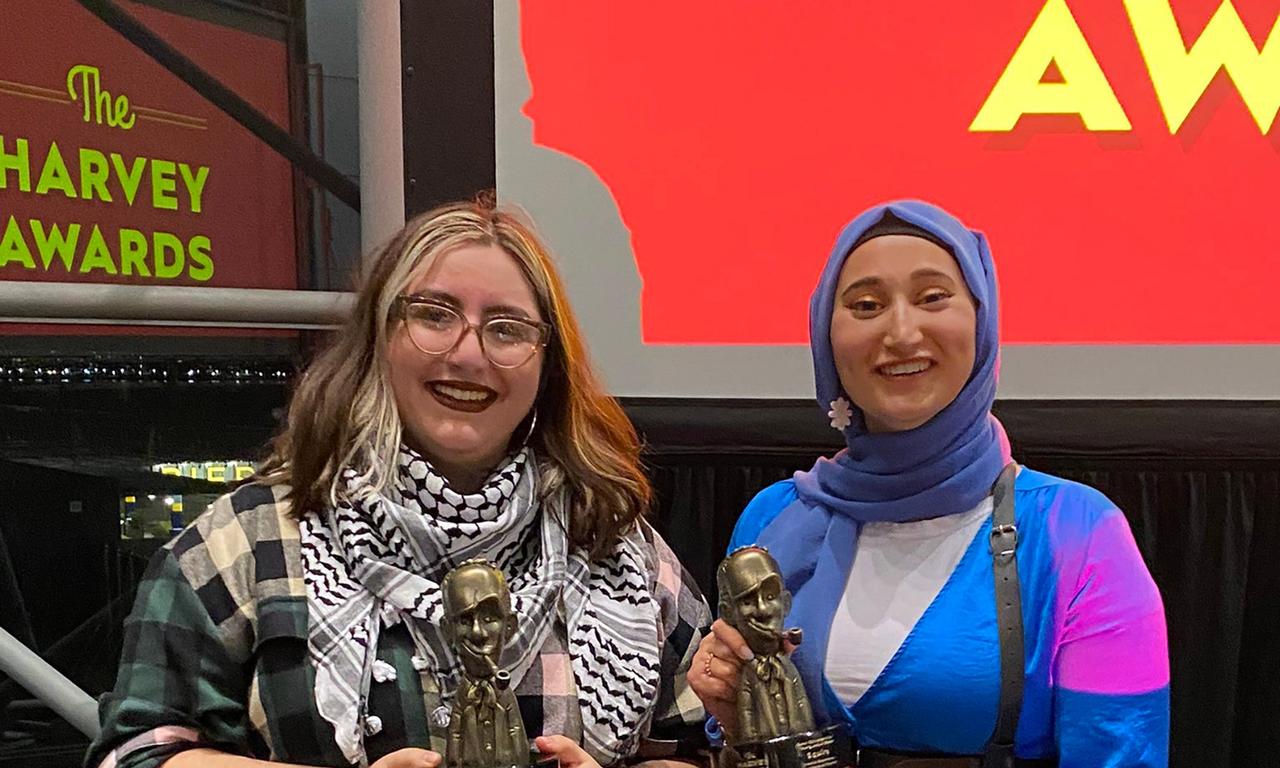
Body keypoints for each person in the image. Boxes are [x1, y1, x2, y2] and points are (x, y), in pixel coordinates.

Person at [86, 201, 711, 768]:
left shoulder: (621, 550)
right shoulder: (243, 544)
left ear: (549, 367)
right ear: (378, 338)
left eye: (507, 328)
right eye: (435, 315)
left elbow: (700, 749)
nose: (469, 355)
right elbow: (135, 754)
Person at [687, 201, 1169, 767]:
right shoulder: (776, 517)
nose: (901, 332)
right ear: (825, 337)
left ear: (981, 322)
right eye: (866, 306)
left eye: (933, 297)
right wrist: (733, 714)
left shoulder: (1077, 533)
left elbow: (1122, 752)